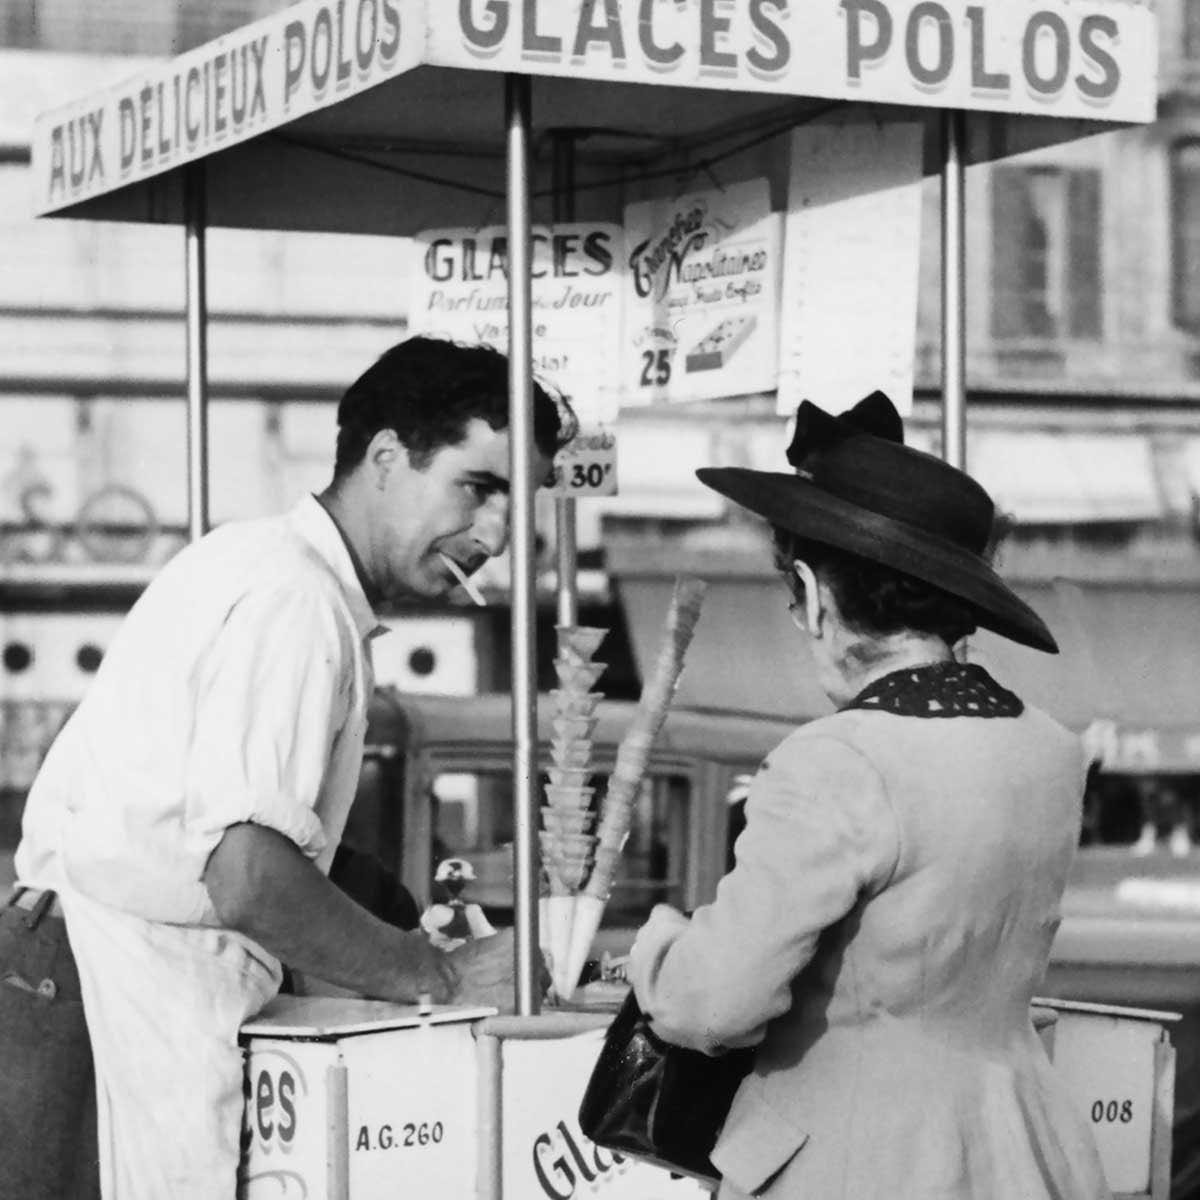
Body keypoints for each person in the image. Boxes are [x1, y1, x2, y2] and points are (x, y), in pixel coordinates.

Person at [0, 336, 574, 1199]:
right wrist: (438, 974)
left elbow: (217, 837)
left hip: (68, 976)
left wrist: (383, 925)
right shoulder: (297, 602)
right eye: (478, 487)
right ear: (386, 457)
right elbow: (249, 879)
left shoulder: (262, 562)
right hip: (97, 1001)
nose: (498, 533)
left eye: (515, 503)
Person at [627, 391, 1111, 1199]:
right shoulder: (1050, 749)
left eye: (793, 600)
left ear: (815, 594)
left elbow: (712, 1005)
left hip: (860, 1163)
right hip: (1029, 1149)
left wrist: (661, 946)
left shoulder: (837, 760)